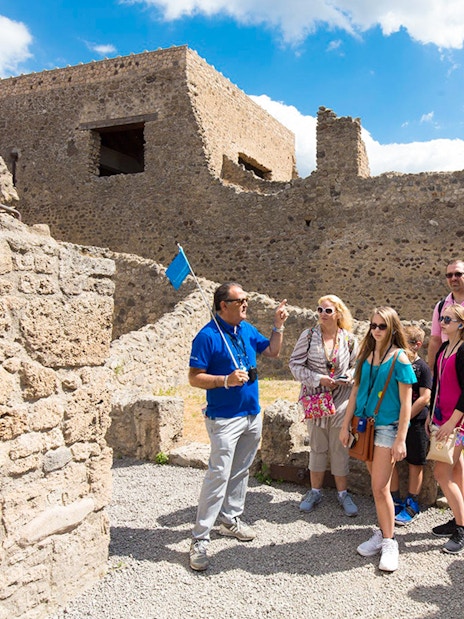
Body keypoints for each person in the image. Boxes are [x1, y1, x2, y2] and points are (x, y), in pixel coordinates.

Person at [188, 282, 289, 571]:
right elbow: (195, 378)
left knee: (241, 471)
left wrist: (278, 325)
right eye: (240, 300)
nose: (246, 304)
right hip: (224, 418)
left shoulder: (245, 329)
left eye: (246, 299)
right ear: (223, 306)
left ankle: (230, 519)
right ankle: (200, 538)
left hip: (251, 414)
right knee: (218, 475)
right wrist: (225, 380)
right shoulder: (207, 336)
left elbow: (271, 351)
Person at [339, 307, 416, 572]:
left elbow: (407, 404)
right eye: (373, 325)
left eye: (382, 326)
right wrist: (345, 425)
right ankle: (383, 532)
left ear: (393, 328)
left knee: (381, 487)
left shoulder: (401, 358)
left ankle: (390, 541)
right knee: (376, 486)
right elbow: (356, 391)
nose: (376, 330)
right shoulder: (366, 356)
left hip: (386, 429)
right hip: (363, 427)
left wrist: (401, 439)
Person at [289, 295, 359, 517]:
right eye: (319, 309)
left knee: (340, 447)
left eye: (327, 310)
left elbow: (358, 366)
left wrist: (347, 376)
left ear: (338, 313)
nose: (322, 314)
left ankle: (343, 494)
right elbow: (295, 365)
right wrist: (319, 379)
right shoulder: (308, 336)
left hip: (341, 400)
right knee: (318, 447)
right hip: (316, 399)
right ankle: (315, 491)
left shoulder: (349, 339)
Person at [427, 303, 464, 553]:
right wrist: (434, 416)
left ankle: (461, 529)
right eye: (442, 318)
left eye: (448, 319)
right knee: (457, 470)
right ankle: (458, 516)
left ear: (461, 323)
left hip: (458, 423)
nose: (442, 323)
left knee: (442, 473)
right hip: (442, 418)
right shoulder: (443, 347)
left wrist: (452, 423)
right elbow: (439, 385)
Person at [391, 325, 432, 525]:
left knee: (416, 463)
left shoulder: (422, 367)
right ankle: (394, 499)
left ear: (417, 345)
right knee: (390, 460)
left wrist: (405, 419)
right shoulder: (396, 363)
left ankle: (412, 502)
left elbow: (424, 397)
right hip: (394, 420)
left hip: (415, 422)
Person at [428, 259, 464, 369]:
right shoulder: (441, 307)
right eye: (449, 275)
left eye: (458, 274)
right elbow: (435, 340)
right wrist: (432, 372)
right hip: (447, 365)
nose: (453, 278)